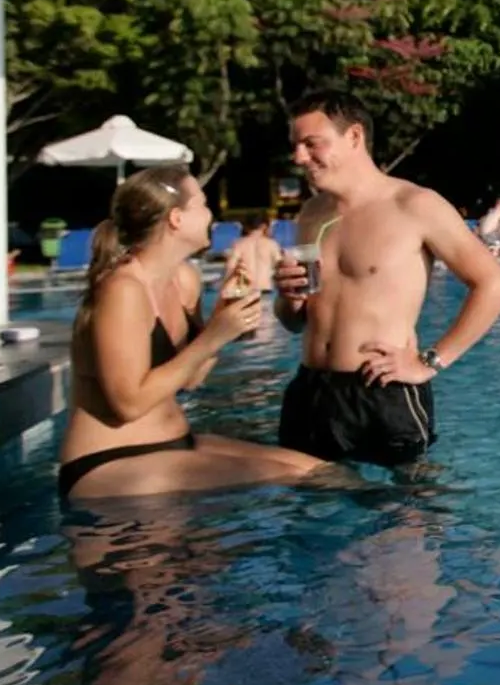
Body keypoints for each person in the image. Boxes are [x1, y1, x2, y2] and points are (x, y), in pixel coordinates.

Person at [57, 166, 331, 503]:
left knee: (324, 473)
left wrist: (223, 318)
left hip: (173, 443)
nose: (211, 215)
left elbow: (192, 379)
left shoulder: (183, 279)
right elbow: (128, 403)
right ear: (176, 219)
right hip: (111, 462)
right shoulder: (123, 288)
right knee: (300, 481)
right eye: (202, 205)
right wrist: (215, 335)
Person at [273, 90, 500, 467]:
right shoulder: (311, 213)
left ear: (354, 137)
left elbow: (495, 287)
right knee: (308, 514)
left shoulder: (414, 206)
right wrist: (288, 298)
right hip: (311, 389)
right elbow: (294, 321)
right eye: (295, 145)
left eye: (310, 144)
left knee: (407, 513)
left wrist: (430, 361)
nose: (298, 157)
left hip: (382, 389)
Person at [226, 214, 283, 295]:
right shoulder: (272, 244)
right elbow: (279, 267)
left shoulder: (238, 244)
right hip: (265, 289)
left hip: (245, 291)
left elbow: (230, 268)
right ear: (264, 226)